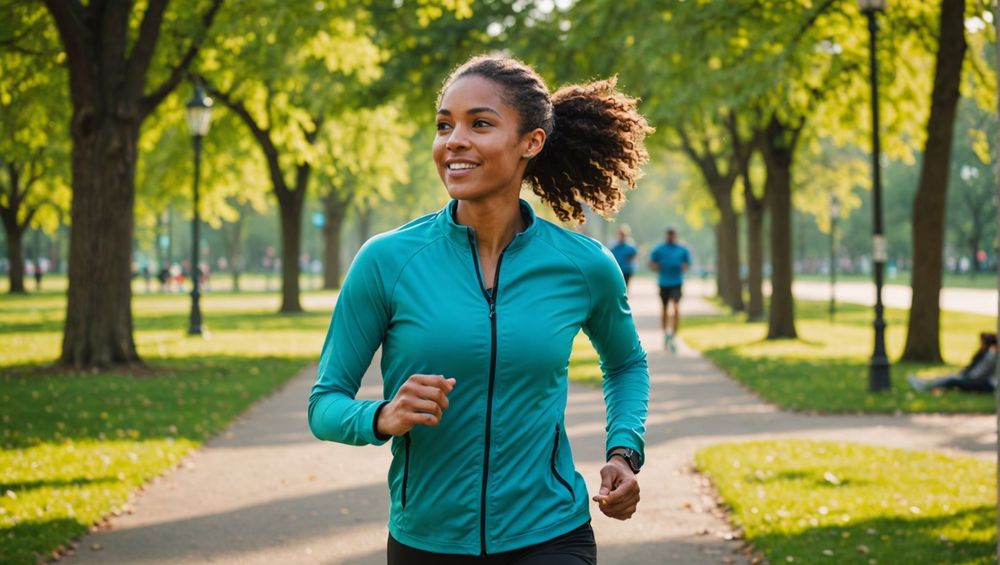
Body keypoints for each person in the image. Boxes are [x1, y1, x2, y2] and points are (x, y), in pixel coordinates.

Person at [309, 54, 652, 564]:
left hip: (551, 532)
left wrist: (624, 451)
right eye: (444, 125)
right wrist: (382, 416)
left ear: (531, 142)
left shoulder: (582, 266)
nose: (454, 140)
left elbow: (626, 363)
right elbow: (325, 404)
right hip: (427, 541)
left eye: (480, 124)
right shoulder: (387, 261)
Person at [908, 332, 998, 393]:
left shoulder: (992, 356)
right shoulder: (988, 354)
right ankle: (926, 384)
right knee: (951, 377)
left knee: (953, 380)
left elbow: (979, 374)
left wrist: (965, 377)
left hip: (987, 385)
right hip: (980, 380)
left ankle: (925, 387)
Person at [649, 227, 690, 352]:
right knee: (665, 309)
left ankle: (674, 336)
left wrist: (683, 266)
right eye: (669, 235)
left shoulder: (682, 249)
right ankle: (666, 334)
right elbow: (651, 263)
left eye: (673, 235)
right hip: (664, 282)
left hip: (677, 282)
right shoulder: (659, 249)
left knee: (676, 308)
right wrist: (657, 266)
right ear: (666, 236)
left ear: (676, 236)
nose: (671, 237)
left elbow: (687, 264)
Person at [609, 225, 638, 290]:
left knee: (624, 287)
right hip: (616, 270)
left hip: (626, 270)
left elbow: (634, 255)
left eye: (623, 235)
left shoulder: (630, 246)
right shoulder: (614, 246)